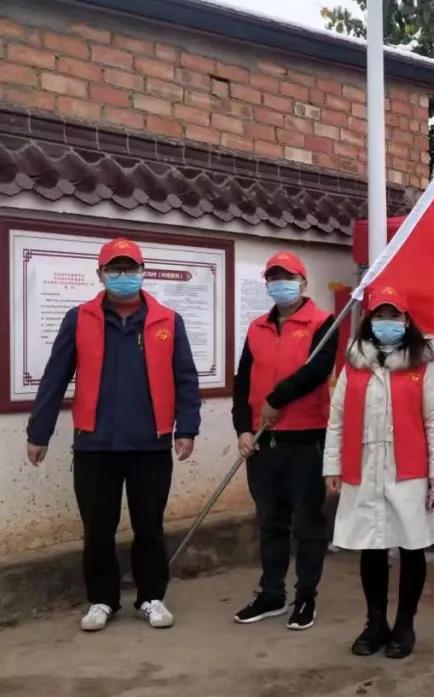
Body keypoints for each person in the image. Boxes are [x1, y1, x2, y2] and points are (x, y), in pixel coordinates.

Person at [26, 238, 200, 631]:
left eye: (130, 268)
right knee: (98, 530)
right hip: (95, 445)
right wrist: (39, 432)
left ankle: (151, 597)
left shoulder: (168, 321)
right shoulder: (79, 319)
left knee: (149, 526)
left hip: (150, 444)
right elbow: (55, 377)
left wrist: (187, 427)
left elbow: (186, 379)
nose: (124, 275)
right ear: (100, 274)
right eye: (115, 269)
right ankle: (102, 600)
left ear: (143, 272)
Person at [323, 286, 434, 660]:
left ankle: (405, 624)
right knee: (372, 545)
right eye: (379, 315)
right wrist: (332, 465)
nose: (386, 322)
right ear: (368, 320)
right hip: (364, 466)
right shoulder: (354, 364)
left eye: (394, 315)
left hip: (409, 470)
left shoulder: (423, 365)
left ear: (406, 321)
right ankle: (375, 623)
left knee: (412, 545)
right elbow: (337, 418)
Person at [231, 251, 338, 631]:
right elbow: (243, 381)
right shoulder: (257, 327)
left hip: (305, 439)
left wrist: (276, 400)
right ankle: (271, 593)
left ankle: (306, 595)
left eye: (287, 277)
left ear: (303, 282)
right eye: (273, 278)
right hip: (264, 442)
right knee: (271, 522)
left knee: (308, 524)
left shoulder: (323, 322)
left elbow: (316, 371)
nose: (280, 284)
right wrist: (243, 428)